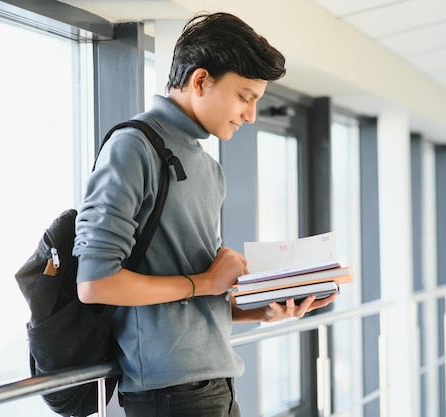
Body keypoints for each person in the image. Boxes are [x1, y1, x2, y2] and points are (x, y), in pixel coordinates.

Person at [73, 11, 337, 417]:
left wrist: (261, 309)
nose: (250, 115)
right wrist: (205, 281)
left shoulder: (208, 167)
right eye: (245, 97)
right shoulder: (134, 147)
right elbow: (95, 282)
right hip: (170, 393)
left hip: (216, 384)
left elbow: (199, 296)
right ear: (201, 81)